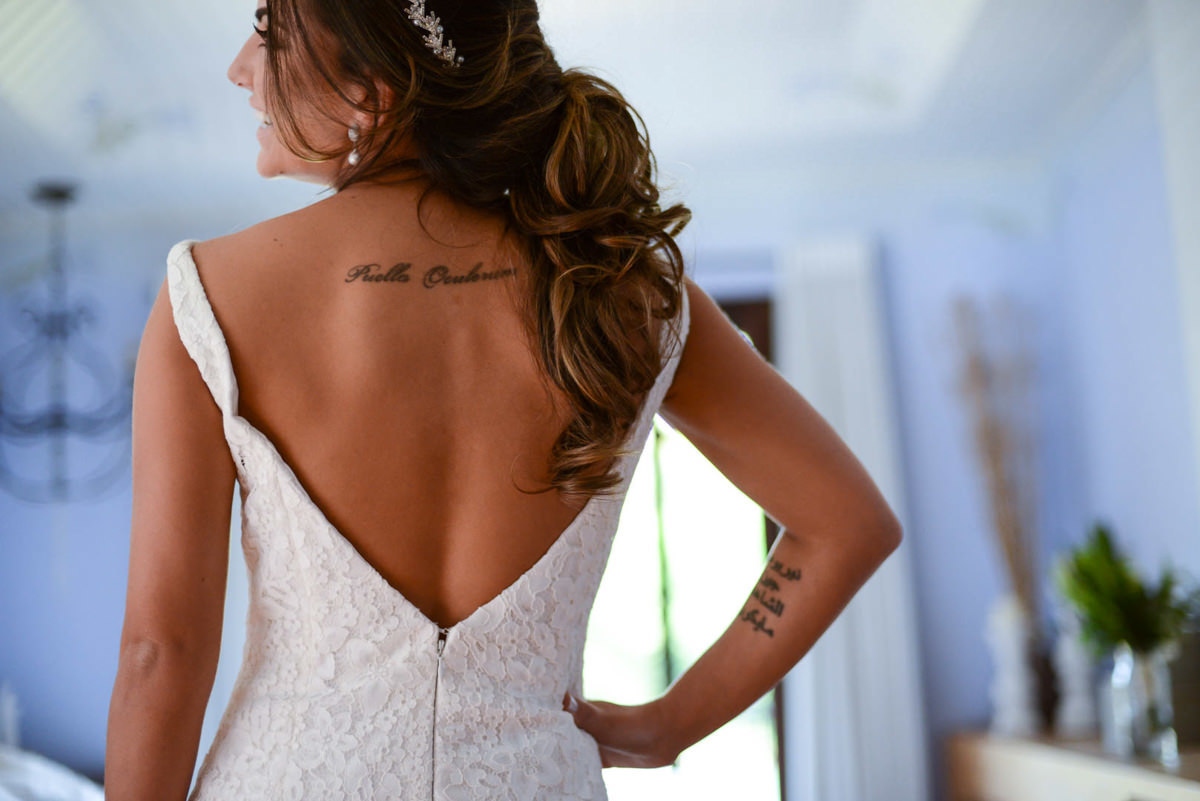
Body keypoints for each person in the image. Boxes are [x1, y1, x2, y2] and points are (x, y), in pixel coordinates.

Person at [104, 1, 903, 799]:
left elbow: (159, 654)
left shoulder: (206, 296)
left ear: (372, 92)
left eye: (271, 31)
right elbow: (848, 525)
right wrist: (669, 725)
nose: (241, 65)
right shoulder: (619, 291)